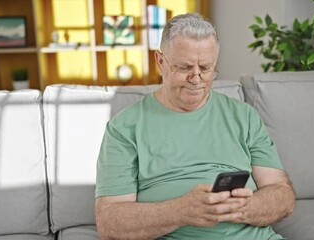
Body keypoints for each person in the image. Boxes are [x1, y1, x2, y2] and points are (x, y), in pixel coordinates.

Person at [95, 13, 295, 240]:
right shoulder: (124, 127)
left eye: (206, 68)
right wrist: (181, 211)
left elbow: (282, 195)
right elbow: (109, 223)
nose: (196, 78)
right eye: (185, 67)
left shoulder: (244, 117)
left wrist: (241, 207)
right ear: (160, 62)